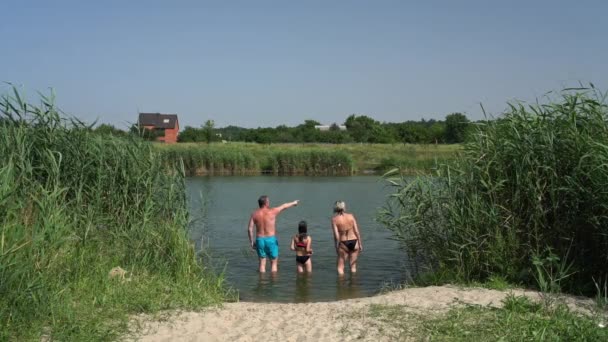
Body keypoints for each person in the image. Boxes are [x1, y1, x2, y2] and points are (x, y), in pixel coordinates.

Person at [248, 195, 299, 272]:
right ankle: (273, 283)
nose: (269, 202)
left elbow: (249, 229)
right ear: (266, 203)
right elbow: (284, 206)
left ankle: (262, 282)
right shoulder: (272, 211)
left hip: (260, 240)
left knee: (262, 264)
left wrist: (251, 242)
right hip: (271, 240)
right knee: (274, 263)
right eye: (268, 201)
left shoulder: (254, 214)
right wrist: (294, 203)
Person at [331, 201, 363, 275]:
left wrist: (336, 246)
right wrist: (360, 243)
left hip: (343, 243)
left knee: (340, 268)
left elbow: (336, 235)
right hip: (354, 241)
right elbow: (357, 232)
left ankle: (341, 285)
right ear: (343, 207)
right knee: (353, 267)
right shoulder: (351, 216)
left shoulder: (334, 220)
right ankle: (353, 284)